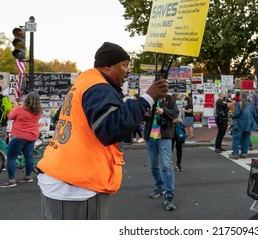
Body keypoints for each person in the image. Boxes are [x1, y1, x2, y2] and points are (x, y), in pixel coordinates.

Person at [37, 42, 169, 220]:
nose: (128, 70)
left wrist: (136, 112)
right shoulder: (99, 87)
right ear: (107, 66)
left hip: (63, 178)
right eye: (124, 65)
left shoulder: (85, 82)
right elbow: (111, 128)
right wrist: (147, 98)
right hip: (77, 186)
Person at [0, 91, 42, 188]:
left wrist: (15, 106)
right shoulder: (39, 110)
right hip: (32, 136)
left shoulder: (20, 109)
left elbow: (10, 116)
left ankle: (11, 180)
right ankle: (28, 176)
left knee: (11, 157)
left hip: (19, 136)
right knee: (29, 155)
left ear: (26, 99)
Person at [144, 94, 179, 211]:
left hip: (164, 138)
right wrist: (145, 114)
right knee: (154, 166)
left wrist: (163, 111)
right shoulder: (149, 99)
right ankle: (159, 186)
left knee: (167, 166)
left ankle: (169, 195)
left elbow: (175, 113)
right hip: (150, 138)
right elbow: (140, 116)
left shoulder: (169, 99)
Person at [229, 91, 257, 159]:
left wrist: (231, 114)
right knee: (246, 139)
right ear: (247, 97)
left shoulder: (239, 104)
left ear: (241, 97)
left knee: (236, 139)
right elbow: (255, 115)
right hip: (248, 124)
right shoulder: (251, 104)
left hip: (239, 124)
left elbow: (236, 114)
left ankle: (235, 153)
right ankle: (244, 153)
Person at [172, 93, 184, 171]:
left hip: (178, 126)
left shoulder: (180, 106)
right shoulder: (170, 106)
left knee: (179, 147)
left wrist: (181, 120)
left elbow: (182, 115)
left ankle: (178, 163)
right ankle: (170, 164)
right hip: (171, 128)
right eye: (178, 97)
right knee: (170, 147)